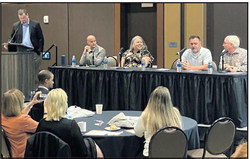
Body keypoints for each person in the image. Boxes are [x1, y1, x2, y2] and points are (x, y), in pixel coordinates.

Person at [36, 88, 103, 158]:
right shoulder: (70, 125)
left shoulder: (42, 124)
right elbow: (83, 152)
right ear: (64, 104)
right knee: (92, 144)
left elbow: (37, 147)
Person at [134, 86, 182, 157]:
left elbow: (138, 133)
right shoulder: (175, 113)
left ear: (151, 99)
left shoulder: (146, 115)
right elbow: (179, 131)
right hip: (173, 153)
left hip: (152, 154)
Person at [1, 89, 42, 158]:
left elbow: (18, 117)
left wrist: (31, 103)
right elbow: (44, 127)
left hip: (15, 154)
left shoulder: (3, 117)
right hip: (25, 155)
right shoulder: (23, 120)